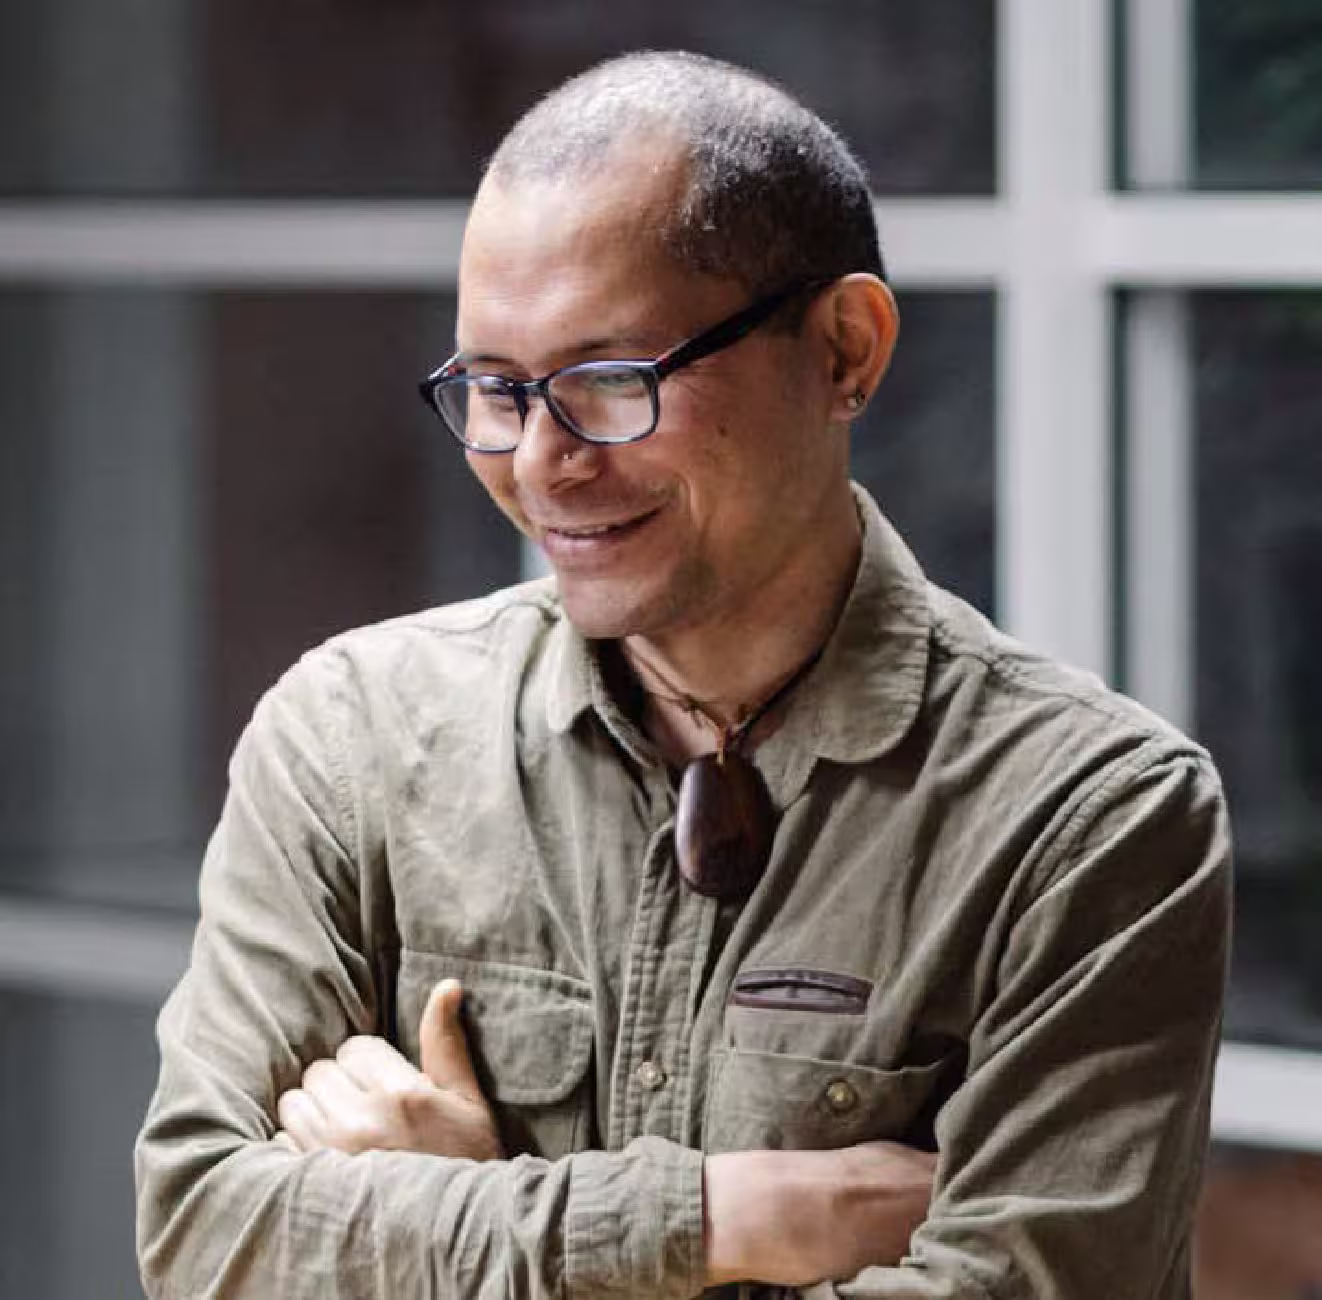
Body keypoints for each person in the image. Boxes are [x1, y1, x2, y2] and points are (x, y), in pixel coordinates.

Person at [135, 50, 1231, 1299]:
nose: (540, 463)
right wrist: (713, 1217)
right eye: (494, 388)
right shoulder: (352, 736)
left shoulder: (1088, 816)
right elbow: (204, 1235)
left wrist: (465, 1207)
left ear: (843, 350)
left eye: (611, 382)